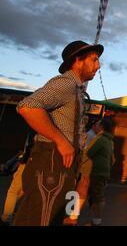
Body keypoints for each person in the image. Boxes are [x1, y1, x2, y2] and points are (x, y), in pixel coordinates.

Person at [14, 40, 103, 226]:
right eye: (94, 60)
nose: (98, 65)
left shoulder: (76, 88)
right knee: (41, 218)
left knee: (47, 217)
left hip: (62, 164)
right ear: (78, 61)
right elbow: (27, 107)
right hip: (52, 160)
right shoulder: (66, 83)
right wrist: (60, 141)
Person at [85, 117, 115, 226]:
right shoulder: (110, 140)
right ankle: (94, 220)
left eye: (97, 124)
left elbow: (87, 153)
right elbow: (113, 160)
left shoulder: (100, 139)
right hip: (103, 172)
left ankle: (95, 221)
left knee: (96, 197)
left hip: (96, 171)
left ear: (101, 127)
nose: (95, 126)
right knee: (96, 196)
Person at [0, 132, 35, 225]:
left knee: (13, 191)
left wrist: (22, 159)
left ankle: (6, 218)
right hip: (42, 164)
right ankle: (14, 211)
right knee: (24, 190)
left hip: (30, 160)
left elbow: (29, 147)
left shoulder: (38, 128)